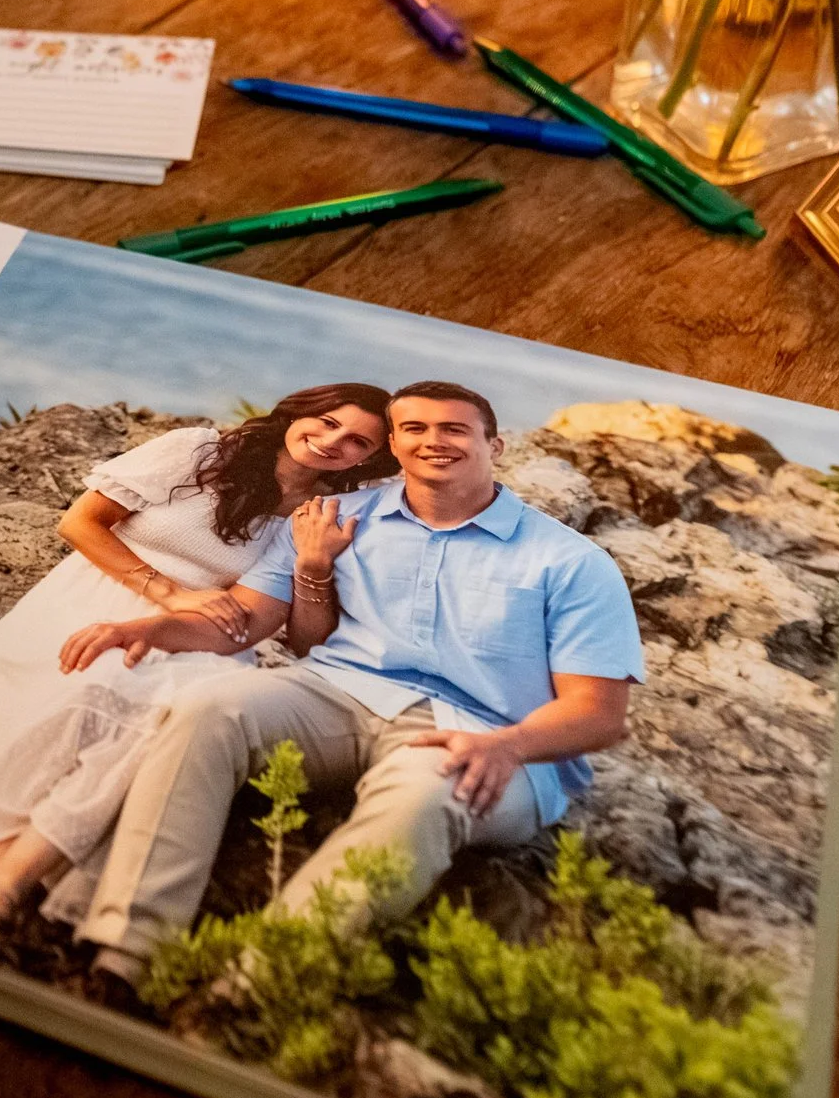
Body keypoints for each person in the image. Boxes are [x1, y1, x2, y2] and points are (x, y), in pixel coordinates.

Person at [57, 382, 644, 987]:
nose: (433, 441)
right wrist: (151, 630)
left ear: (494, 445)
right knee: (207, 708)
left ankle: (257, 987)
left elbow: (598, 713)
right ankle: (125, 957)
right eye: (414, 429)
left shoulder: (571, 562)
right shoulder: (333, 520)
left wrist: (509, 747)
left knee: (426, 796)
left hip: (483, 736)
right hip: (337, 694)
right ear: (392, 444)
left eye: (454, 429)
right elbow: (247, 623)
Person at [0, 384, 397, 946]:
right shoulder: (201, 451)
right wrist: (169, 592)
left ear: (370, 459)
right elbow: (81, 523)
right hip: (93, 599)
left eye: (356, 442)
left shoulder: (320, 515)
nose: (332, 442)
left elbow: (298, 636)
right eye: (326, 422)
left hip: (196, 637)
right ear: (299, 412)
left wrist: (314, 562)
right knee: (106, 685)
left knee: (168, 721)